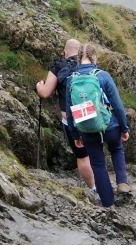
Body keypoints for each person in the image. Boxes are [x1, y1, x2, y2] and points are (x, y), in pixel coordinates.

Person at [65, 44, 131, 207]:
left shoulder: (71, 80)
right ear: (94, 58)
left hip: (87, 130)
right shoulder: (103, 76)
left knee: (98, 164)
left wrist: (75, 135)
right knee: (116, 148)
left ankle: (108, 203)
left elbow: (69, 110)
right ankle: (122, 182)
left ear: (78, 59)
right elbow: (117, 104)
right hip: (110, 127)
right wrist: (124, 128)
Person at [35, 39, 97, 202]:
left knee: (82, 157)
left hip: (72, 120)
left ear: (65, 52)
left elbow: (46, 93)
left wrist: (39, 86)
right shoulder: (89, 66)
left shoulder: (59, 67)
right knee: (94, 153)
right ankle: (101, 184)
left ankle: (93, 189)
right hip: (93, 117)